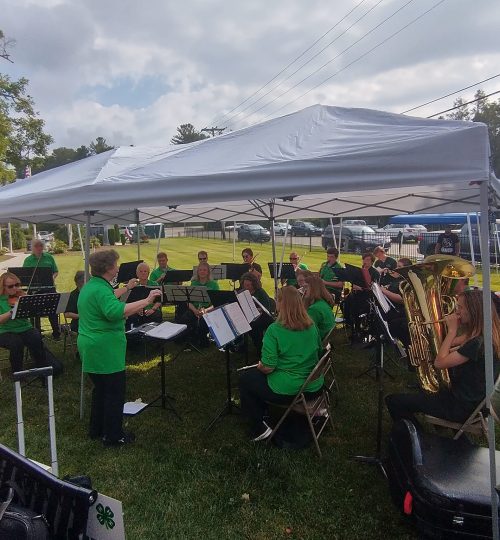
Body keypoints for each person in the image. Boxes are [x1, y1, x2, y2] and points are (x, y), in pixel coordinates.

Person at [77, 249, 161, 446]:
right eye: (115, 264)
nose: (118, 268)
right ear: (108, 268)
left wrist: (126, 289)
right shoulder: (99, 289)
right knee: (114, 392)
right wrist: (147, 301)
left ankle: (97, 430)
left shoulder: (93, 286)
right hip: (104, 348)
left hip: (90, 345)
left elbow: (109, 296)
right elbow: (115, 311)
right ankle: (114, 436)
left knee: (101, 390)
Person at [385, 289, 500, 429]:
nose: (456, 311)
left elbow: (440, 363)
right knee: (424, 393)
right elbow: (453, 347)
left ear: (473, 311)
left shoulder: (477, 343)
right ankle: (441, 429)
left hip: (461, 407)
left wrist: (451, 331)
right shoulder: (486, 335)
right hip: (475, 402)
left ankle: (419, 440)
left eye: (460, 307)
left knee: (393, 401)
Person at [238, 286, 323, 441]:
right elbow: (319, 351)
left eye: (277, 300)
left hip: (290, 389)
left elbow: (268, 367)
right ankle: (263, 415)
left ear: (282, 304)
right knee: (253, 377)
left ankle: (259, 427)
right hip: (314, 385)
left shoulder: (274, 330)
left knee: (246, 379)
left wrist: (260, 367)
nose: (275, 302)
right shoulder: (311, 325)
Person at [0, 271, 47, 373]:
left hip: (25, 327)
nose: (15, 289)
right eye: (10, 286)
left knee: (36, 336)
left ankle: (42, 369)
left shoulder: (21, 296)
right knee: (16, 342)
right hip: (4, 331)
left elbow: (31, 313)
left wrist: (32, 306)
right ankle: (18, 372)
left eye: (17, 285)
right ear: (3, 286)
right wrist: (12, 311)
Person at [23, 239, 61, 339]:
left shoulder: (49, 257)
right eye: (36, 246)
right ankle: (37, 332)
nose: (39, 248)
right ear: (32, 248)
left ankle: (56, 332)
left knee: (52, 310)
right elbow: (25, 276)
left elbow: (56, 271)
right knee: (34, 311)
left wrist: (51, 278)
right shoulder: (28, 260)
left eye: (41, 246)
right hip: (34, 288)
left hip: (48, 287)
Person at [175, 261, 219, 347]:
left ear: (208, 272)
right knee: (185, 318)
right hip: (194, 309)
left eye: (204, 270)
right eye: (200, 270)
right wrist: (195, 310)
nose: (202, 272)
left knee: (202, 323)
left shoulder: (214, 285)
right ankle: (187, 337)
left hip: (208, 311)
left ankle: (202, 339)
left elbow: (216, 303)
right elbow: (188, 301)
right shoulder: (194, 283)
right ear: (197, 272)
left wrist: (205, 311)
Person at [380, 257, 413, 350]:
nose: (396, 268)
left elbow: (401, 299)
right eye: (396, 266)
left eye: (399, 266)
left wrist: (384, 291)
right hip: (391, 307)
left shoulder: (406, 282)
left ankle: (395, 341)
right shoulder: (397, 279)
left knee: (390, 321)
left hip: (399, 311)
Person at [239, 272, 274, 352]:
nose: (247, 287)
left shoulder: (260, 292)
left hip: (263, 317)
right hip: (248, 316)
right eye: (245, 285)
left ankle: (260, 348)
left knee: (254, 325)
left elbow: (266, 308)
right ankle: (240, 343)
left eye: (249, 285)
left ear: (254, 284)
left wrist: (257, 309)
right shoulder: (242, 292)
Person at [125, 262, 163, 331]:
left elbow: (159, 300)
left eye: (145, 271)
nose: (143, 273)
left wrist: (153, 309)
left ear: (148, 273)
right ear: (137, 274)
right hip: (136, 310)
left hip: (151, 309)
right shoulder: (133, 285)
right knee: (131, 316)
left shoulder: (154, 284)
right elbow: (128, 302)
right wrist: (136, 310)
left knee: (156, 315)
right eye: (141, 271)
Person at [303, 274, 335, 340]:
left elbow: (306, 330)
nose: (303, 290)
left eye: (306, 287)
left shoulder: (314, 309)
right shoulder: (323, 303)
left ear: (314, 289)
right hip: (322, 338)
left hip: (316, 341)